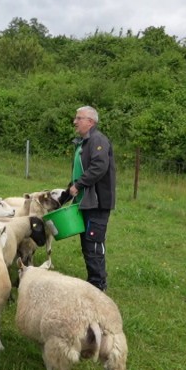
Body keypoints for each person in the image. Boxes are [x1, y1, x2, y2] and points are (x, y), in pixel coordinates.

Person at [63, 105, 116, 292]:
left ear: (90, 121)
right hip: (85, 203)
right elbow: (80, 172)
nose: (75, 122)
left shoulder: (98, 140)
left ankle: (98, 285)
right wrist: (64, 195)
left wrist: (78, 185)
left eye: (79, 118)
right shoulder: (83, 143)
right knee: (87, 243)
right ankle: (93, 281)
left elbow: (99, 167)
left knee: (94, 243)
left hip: (98, 202)